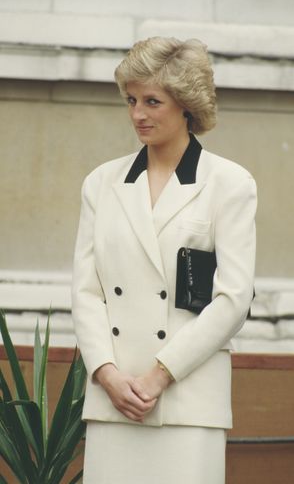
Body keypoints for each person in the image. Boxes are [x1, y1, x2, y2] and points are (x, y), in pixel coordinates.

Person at [72, 36, 257, 484]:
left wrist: (160, 375)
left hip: (188, 403)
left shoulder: (230, 184)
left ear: (186, 105)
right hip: (113, 403)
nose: (138, 114)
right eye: (131, 100)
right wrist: (109, 375)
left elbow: (232, 300)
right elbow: (85, 291)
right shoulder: (101, 183)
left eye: (152, 101)